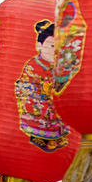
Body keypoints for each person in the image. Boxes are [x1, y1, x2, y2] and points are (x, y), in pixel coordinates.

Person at [15, 19, 70, 151]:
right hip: (37, 103)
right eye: (51, 46)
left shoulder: (58, 67)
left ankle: (56, 137)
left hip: (52, 104)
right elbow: (26, 90)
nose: (55, 51)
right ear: (39, 45)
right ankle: (39, 137)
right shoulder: (33, 66)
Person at [53, 0, 87, 94]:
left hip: (71, 40)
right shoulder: (60, 4)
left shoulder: (70, 2)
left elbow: (75, 24)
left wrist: (61, 33)